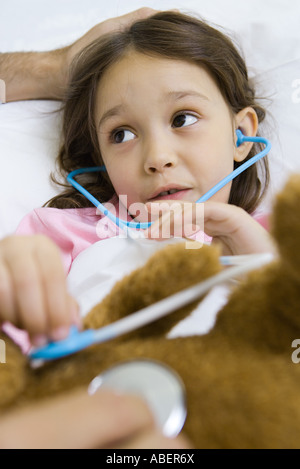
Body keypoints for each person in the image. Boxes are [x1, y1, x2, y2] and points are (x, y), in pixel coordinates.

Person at [0, 7, 191, 450]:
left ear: (244, 134)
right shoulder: (63, 233)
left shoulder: (278, 235)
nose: (157, 157)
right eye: (122, 133)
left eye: (183, 118)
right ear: (99, 159)